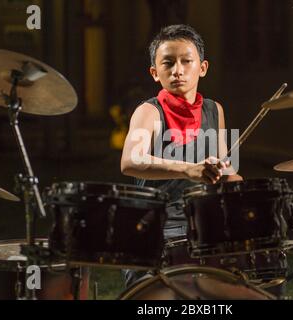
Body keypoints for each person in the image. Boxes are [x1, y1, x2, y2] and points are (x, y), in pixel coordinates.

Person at [120, 24, 242, 288]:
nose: (177, 70)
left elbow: (227, 169)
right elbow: (130, 161)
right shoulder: (148, 112)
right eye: (168, 63)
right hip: (157, 227)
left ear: (203, 67)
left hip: (203, 225)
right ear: (155, 73)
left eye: (187, 61)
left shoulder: (214, 110)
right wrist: (188, 169)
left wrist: (252, 193)